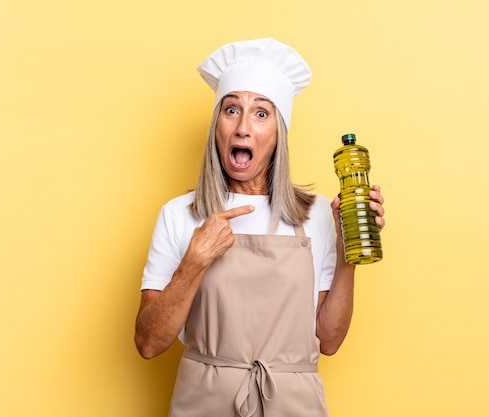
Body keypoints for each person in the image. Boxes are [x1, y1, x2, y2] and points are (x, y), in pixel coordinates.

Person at [134, 38, 385, 417]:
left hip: (293, 405)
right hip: (204, 404)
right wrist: (195, 261)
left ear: (278, 135)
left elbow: (329, 341)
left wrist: (349, 247)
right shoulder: (179, 214)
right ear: (216, 124)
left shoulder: (317, 214)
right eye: (231, 110)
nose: (243, 128)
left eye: (261, 114)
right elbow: (149, 343)